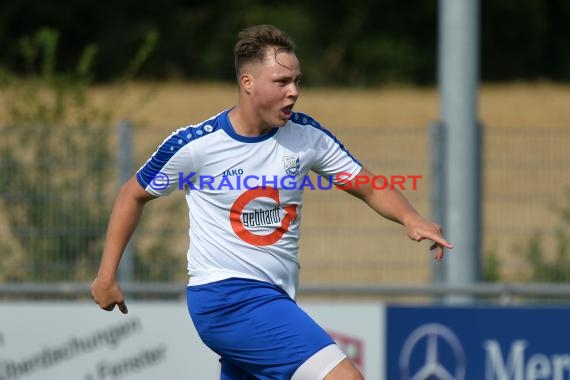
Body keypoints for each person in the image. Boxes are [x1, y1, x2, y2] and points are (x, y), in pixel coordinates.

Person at [91, 24, 452, 380]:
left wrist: (410, 217)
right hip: (227, 298)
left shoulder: (306, 136)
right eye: (281, 82)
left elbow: (369, 186)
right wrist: (107, 276)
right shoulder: (198, 145)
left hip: (274, 297)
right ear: (247, 83)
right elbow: (131, 194)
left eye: (297, 81)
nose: (293, 92)